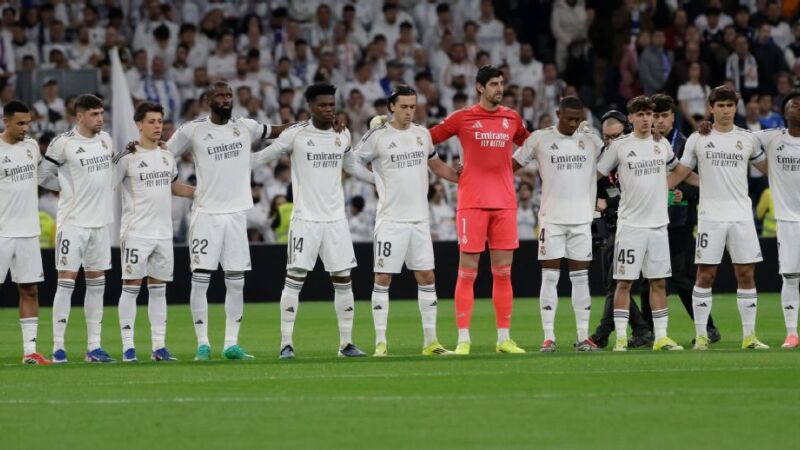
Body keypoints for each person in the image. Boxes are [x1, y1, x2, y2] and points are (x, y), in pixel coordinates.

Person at [250, 83, 375, 359]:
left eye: (332, 105)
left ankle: (346, 344)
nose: (329, 110)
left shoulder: (342, 135)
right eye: (322, 105)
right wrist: (229, 167)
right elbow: (262, 157)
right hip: (305, 219)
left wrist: (382, 180)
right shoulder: (296, 134)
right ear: (309, 106)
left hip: (335, 220)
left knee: (343, 279)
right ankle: (286, 343)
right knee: (295, 278)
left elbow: (352, 165)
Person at [167, 81, 287, 361]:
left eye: (229, 95)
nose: (225, 99)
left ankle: (231, 343)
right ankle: (203, 343)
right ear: (208, 99)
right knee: (200, 280)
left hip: (235, 215)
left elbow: (277, 131)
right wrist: (176, 185)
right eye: (220, 95)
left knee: (236, 281)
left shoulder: (245, 126)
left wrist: (311, 124)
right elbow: (163, 153)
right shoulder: (192, 129)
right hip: (206, 214)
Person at [428, 65, 530, 355]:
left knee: (503, 273)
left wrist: (516, 166)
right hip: (472, 203)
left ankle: (504, 339)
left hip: (505, 204)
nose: (500, 88)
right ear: (480, 88)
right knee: (467, 274)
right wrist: (448, 171)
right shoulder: (462, 118)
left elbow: (533, 144)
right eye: (494, 84)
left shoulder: (512, 118)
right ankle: (463, 339)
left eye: (502, 83)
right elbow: (426, 140)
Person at [354, 85, 459, 356]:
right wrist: (376, 179)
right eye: (403, 106)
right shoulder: (378, 136)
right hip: (390, 219)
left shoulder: (422, 135)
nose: (409, 111)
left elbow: (436, 165)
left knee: (426, 276)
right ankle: (381, 342)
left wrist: (462, 178)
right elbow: (353, 162)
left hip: (419, 220)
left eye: (413, 106)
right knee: (383, 277)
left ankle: (431, 342)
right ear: (391, 107)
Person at [669, 85, 770, 350]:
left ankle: (749, 336)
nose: (726, 110)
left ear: (736, 108)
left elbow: (769, 169)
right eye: (720, 105)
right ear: (711, 108)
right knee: (705, 275)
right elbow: (680, 172)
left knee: (746, 273)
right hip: (710, 216)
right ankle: (701, 336)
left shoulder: (748, 138)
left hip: (741, 215)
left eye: (730, 105)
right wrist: (652, 187)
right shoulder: (697, 138)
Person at [511, 96, 603, 352]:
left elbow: (615, 154)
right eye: (569, 118)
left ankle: (583, 336)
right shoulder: (540, 139)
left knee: (581, 278)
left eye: (578, 118)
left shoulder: (591, 140)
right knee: (550, 278)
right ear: (557, 113)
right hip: (551, 220)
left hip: (582, 220)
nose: (574, 123)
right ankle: (548, 337)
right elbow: (511, 165)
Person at [596, 96, 686, 351]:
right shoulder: (620, 146)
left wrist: (697, 185)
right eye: (642, 114)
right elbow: (597, 174)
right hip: (631, 226)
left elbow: (678, 170)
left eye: (650, 114)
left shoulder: (663, 144)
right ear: (631, 118)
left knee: (658, 283)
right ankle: (622, 339)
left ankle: (661, 337)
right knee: (624, 283)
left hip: (658, 226)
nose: (647, 118)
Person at [113, 102, 195, 362]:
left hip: (163, 233)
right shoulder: (127, 158)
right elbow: (105, 184)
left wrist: (205, 193)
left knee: (159, 289)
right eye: (152, 121)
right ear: (139, 124)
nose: (158, 126)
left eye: (160, 121)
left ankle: (159, 347)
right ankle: (128, 347)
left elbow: (175, 188)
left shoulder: (166, 155)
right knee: (131, 287)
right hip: (136, 231)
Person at [38, 94, 115, 363]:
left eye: (102, 113)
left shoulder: (106, 140)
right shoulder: (64, 143)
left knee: (97, 286)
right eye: (94, 114)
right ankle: (58, 347)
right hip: (72, 223)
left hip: (100, 224)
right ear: (79, 116)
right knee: (66, 282)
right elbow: (42, 175)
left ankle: (94, 347)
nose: (100, 118)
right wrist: (67, 188)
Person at [641, 94, 720, 342]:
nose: (659, 121)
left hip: (680, 222)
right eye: (655, 116)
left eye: (664, 115)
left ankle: (707, 327)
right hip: (649, 220)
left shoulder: (686, 143)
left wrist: (680, 193)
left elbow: (697, 182)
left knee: (681, 277)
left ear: (673, 117)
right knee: (647, 279)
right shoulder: (642, 144)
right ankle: (647, 332)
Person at [589, 111, 654, 348]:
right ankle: (640, 330)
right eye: (606, 138)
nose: (610, 142)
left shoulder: (636, 154)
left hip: (635, 223)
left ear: (627, 131)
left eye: (615, 136)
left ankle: (603, 334)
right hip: (613, 226)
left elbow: (637, 191)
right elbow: (596, 187)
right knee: (614, 283)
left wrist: (610, 203)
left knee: (616, 282)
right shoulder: (606, 158)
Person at [0, 101, 51, 364]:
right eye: (20, 123)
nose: (25, 129)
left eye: (28, 123)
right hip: (1, 233)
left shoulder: (31, 147)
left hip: (28, 232)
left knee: (29, 290)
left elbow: (44, 177)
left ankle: (30, 351)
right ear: (6, 121)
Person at [748, 92, 800, 348]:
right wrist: (708, 129)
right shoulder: (771, 137)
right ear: (784, 112)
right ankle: (792, 332)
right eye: (793, 103)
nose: (797, 106)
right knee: (790, 277)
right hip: (789, 221)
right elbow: (736, 137)